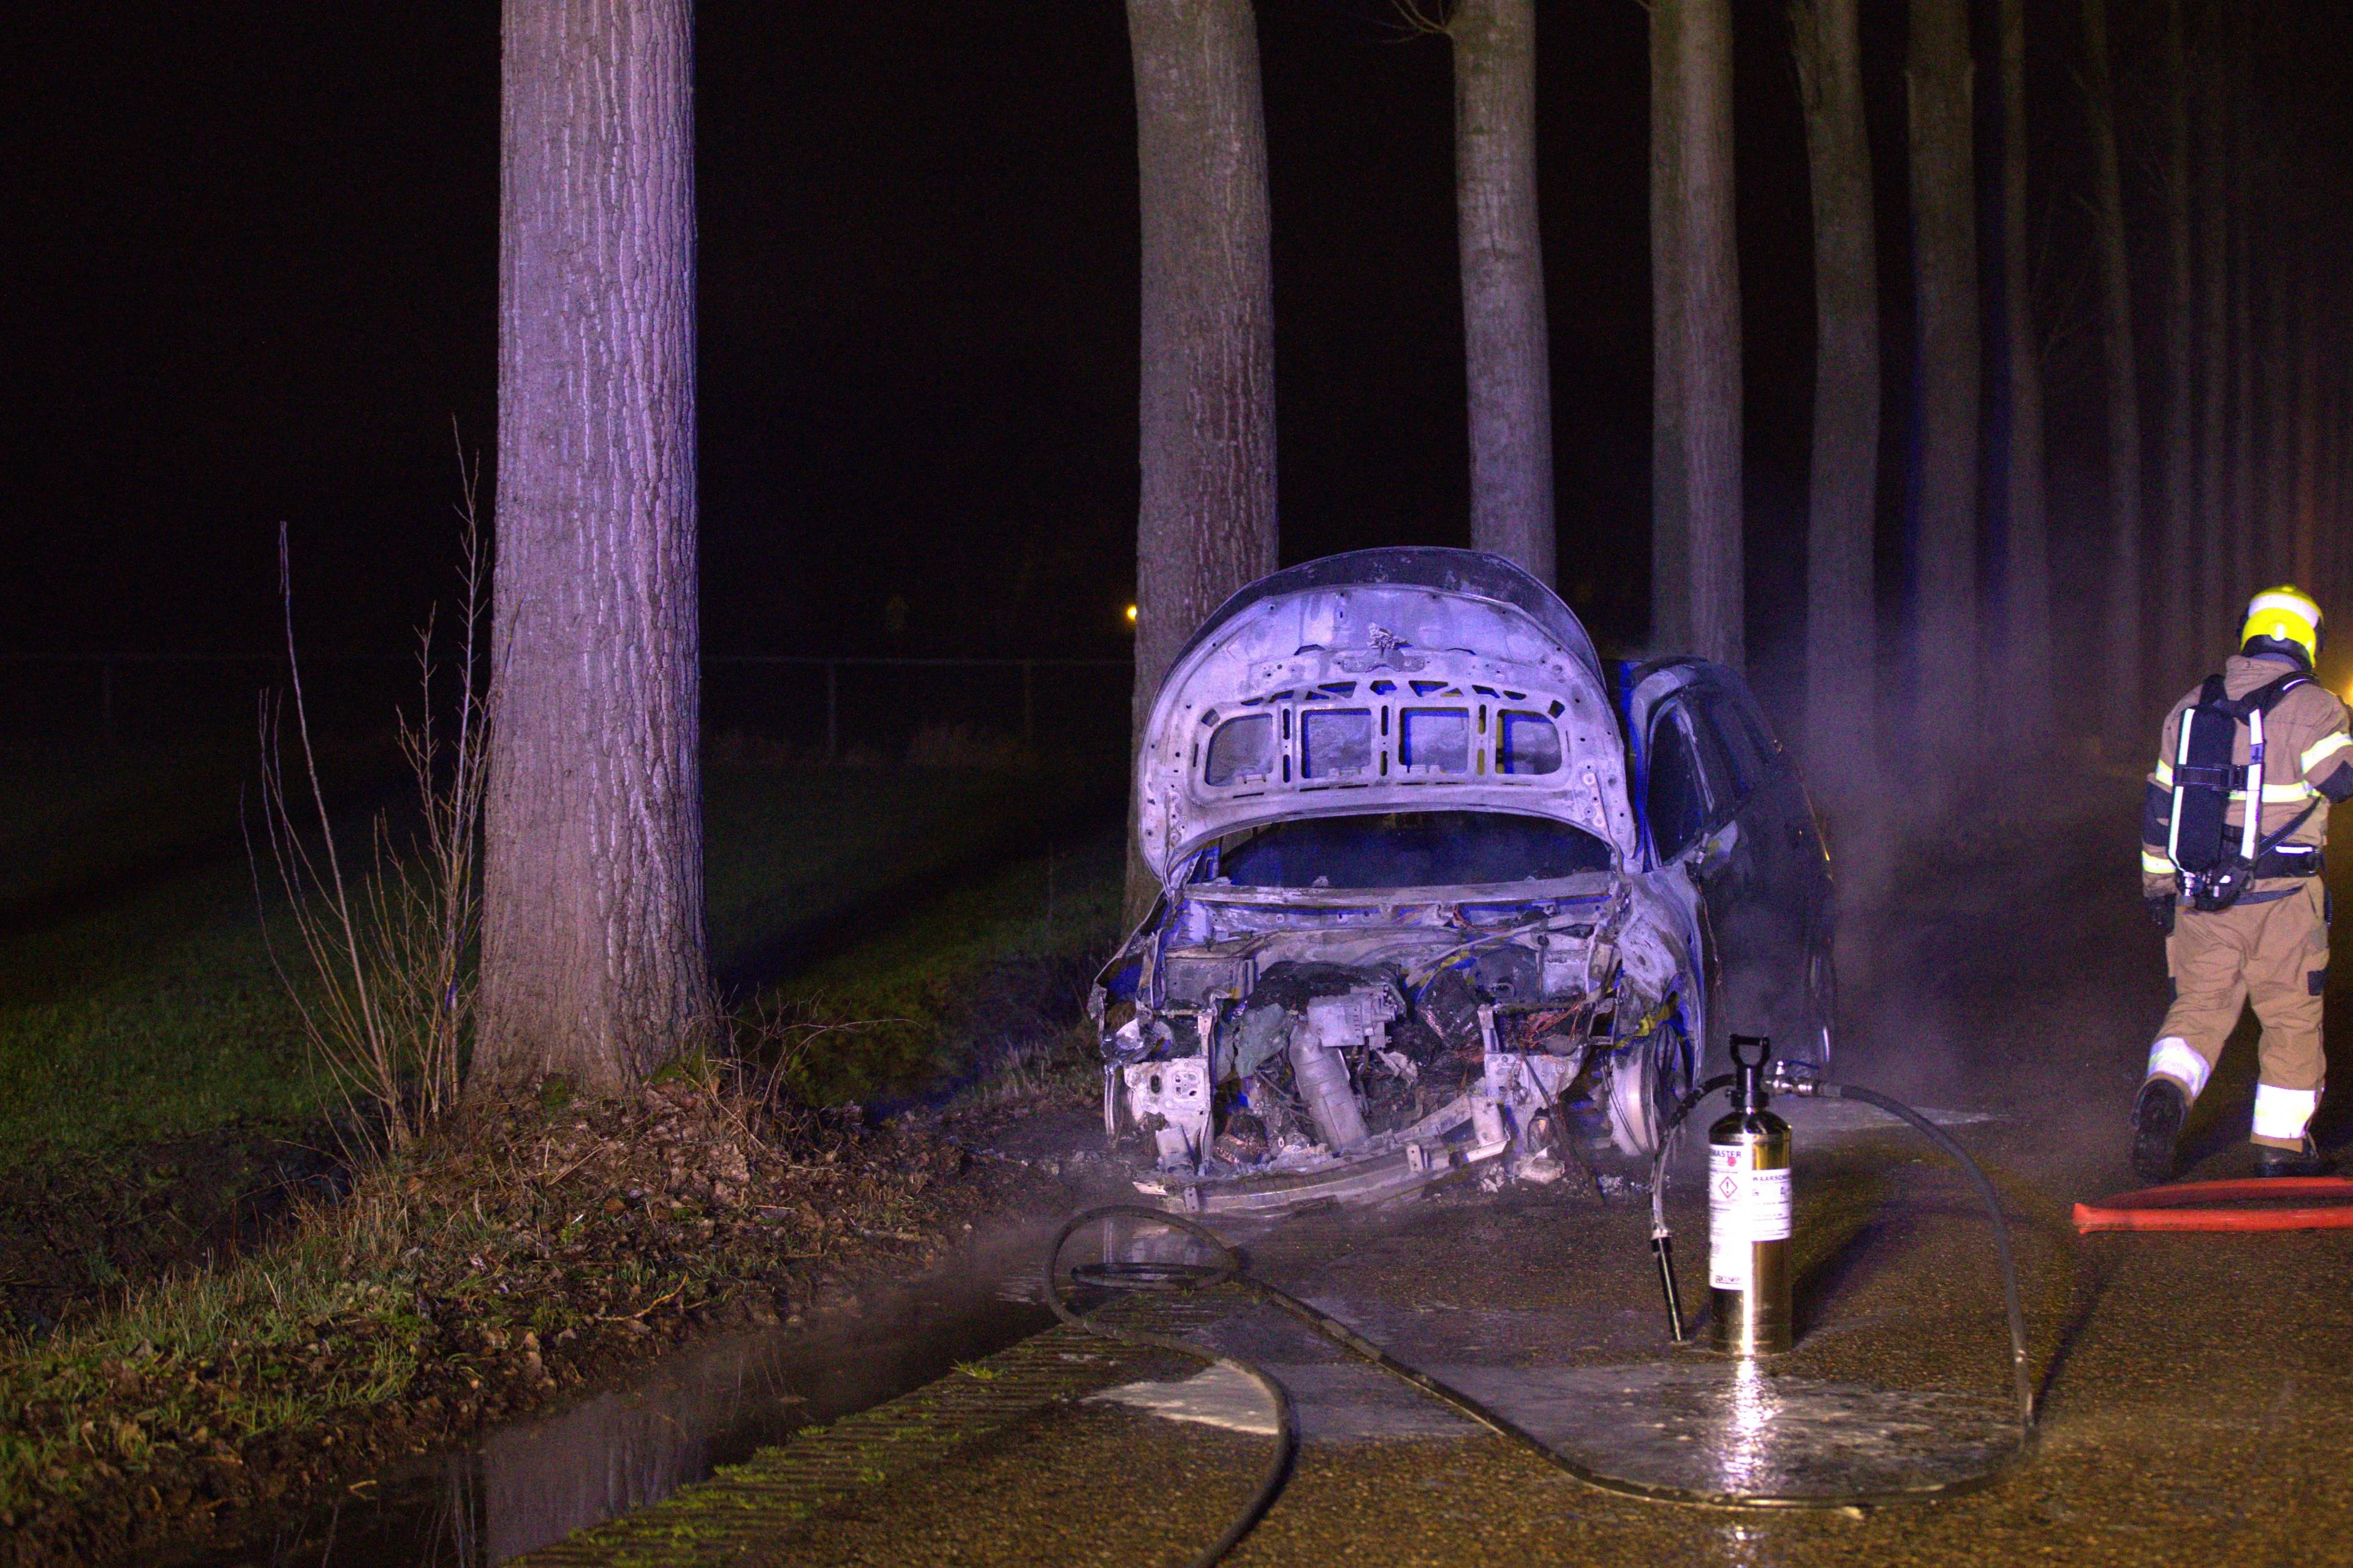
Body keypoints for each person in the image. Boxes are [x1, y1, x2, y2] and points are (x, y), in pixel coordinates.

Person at [2133, 586, 2353, 1182]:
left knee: (2199, 1009)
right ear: (2309, 642)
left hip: (2201, 898)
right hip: (2284, 903)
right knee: (2289, 1018)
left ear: (2249, 633)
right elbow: (2340, 781)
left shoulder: (2189, 708)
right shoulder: (2317, 707)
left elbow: (2159, 810)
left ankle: (2166, 1091)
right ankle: (2281, 1149)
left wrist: (2159, 887)